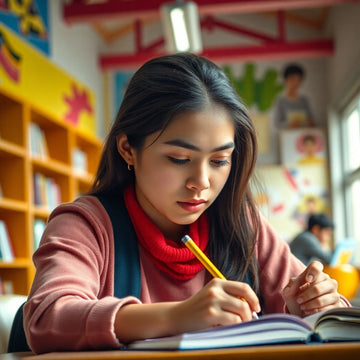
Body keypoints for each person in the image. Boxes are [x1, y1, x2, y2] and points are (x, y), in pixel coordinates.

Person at [23, 53, 349, 354]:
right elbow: (46, 317)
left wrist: (318, 305)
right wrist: (178, 316)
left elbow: (336, 323)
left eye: (220, 160)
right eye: (180, 158)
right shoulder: (86, 224)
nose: (202, 183)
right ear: (127, 149)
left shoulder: (243, 224)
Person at [274, 63, 315, 129]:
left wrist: (309, 122)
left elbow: (312, 120)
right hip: (287, 136)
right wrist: (290, 124)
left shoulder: (304, 100)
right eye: (292, 79)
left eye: (298, 80)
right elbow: (277, 123)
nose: (295, 83)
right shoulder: (281, 101)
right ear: (286, 80)